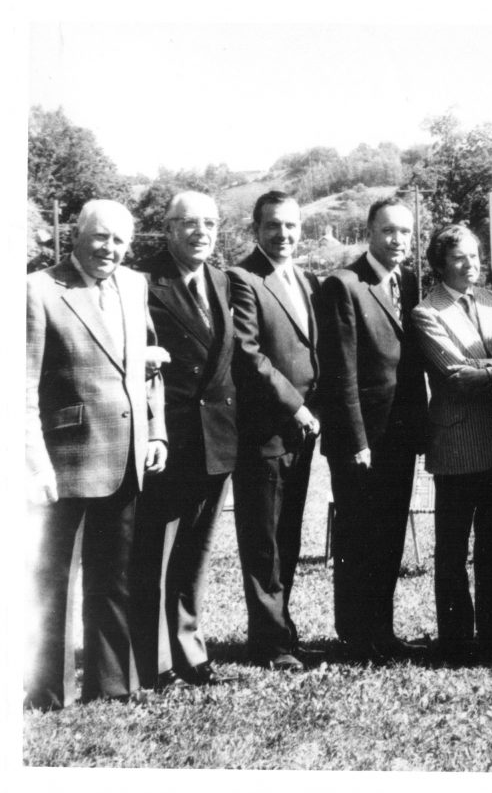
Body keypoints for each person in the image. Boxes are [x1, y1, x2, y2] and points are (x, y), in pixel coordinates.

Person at [25, 199, 168, 709]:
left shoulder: (134, 284)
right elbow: (19, 388)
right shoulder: (38, 290)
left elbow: (147, 370)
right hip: (64, 462)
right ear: (77, 236)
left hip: (126, 456)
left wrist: (156, 432)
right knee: (55, 582)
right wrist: (33, 464)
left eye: (120, 240)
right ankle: (48, 691)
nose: (110, 248)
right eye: (101, 237)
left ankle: (109, 685)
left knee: (115, 577)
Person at [129, 192, 236, 690]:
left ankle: (191, 650)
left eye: (210, 223)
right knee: (155, 551)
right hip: (164, 439)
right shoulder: (141, 281)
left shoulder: (221, 279)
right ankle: (156, 663)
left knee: (195, 553)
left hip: (215, 439)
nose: (201, 232)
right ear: (166, 229)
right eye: (189, 223)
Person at [317, 197, 429, 662]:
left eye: (405, 232)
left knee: (388, 538)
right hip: (362, 440)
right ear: (369, 233)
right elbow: (340, 372)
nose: (398, 240)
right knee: (358, 537)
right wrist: (355, 440)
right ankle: (356, 634)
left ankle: (382, 628)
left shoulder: (409, 283)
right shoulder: (343, 285)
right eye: (388, 231)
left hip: (400, 437)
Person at [412, 224, 492, 660]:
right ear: (440, 262)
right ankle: (457, 638)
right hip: (458, 444)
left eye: (477, 255)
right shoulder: (428, 312)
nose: (471, 263)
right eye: (460, 256)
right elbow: (455, 378)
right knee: (453, 547)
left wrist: (490, 367)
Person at [227, 190, 322, 671]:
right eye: (273, 226)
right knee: (263, 540)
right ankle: (269, 643)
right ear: (256, 229)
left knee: (287, 537)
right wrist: (297, 408)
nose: (283, 235)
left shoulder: (302, 279)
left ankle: (281, 630)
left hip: (300, 437)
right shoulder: (242, 278)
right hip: (266, 432)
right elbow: (248, 355)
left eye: (291, 226)